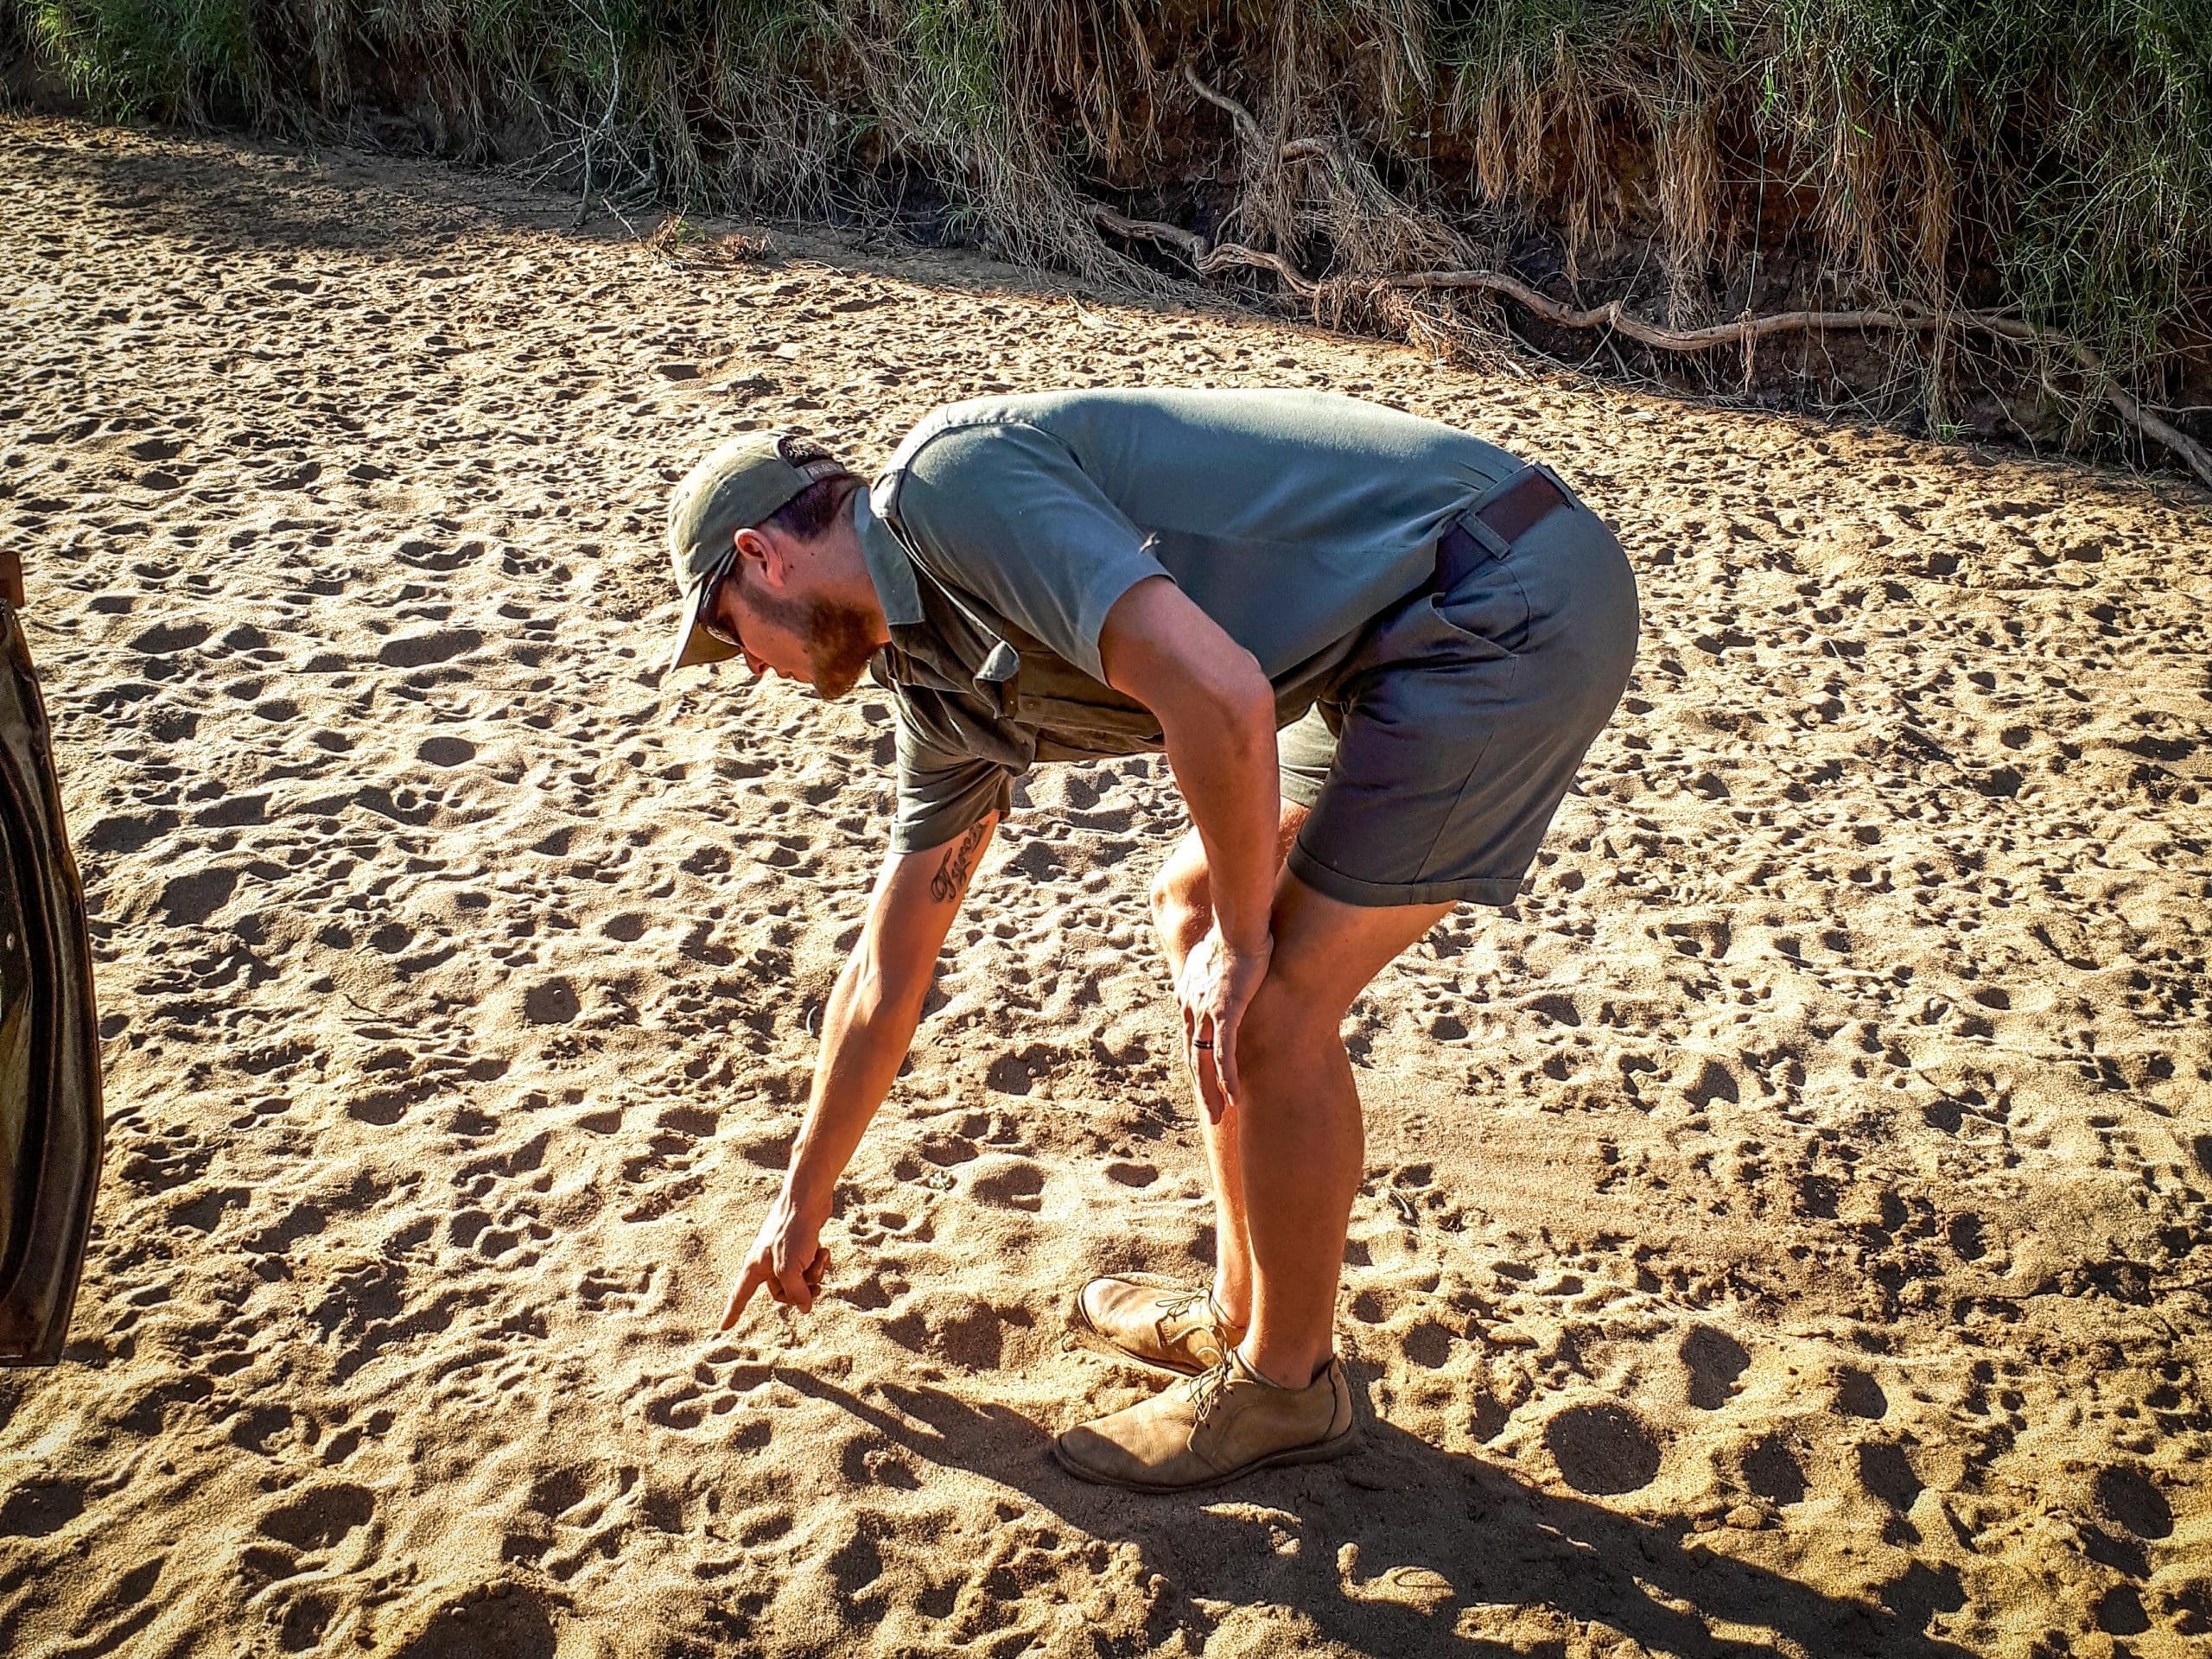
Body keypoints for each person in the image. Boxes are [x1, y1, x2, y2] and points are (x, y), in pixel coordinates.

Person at [663, 390, 1637, 1491]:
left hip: (1500, 594)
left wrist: (1245, 943)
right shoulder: (931, 686)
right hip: (1378, 638)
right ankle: (1237, 1309)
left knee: (1268, 1003)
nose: (742, 666)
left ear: (760, 556)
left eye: (723, 630)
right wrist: (800, 1200)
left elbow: (1218, 694)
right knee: (1194, 900)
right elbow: (889, 970)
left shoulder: (948, 488)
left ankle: (1288, 1385)